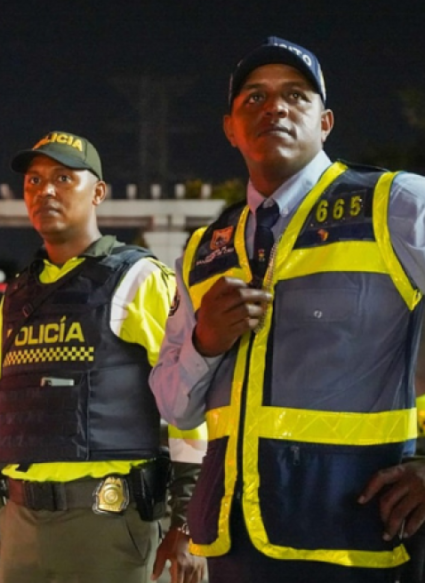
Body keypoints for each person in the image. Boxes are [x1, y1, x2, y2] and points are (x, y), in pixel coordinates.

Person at [149, 37, 425, 583]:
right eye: (253, 98)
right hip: (235, 542)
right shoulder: (205, 250)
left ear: (324, 122)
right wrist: (205, 342)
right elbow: (174, 408)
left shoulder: (395, 204)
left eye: (294, 96)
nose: (273, 106)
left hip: (355, 538)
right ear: (230, 128)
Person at [0, 131, 207, 583]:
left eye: (62, 178)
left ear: (98, 193)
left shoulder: (138, 279)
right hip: (21, 527)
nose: (45, 190)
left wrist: (187, 525)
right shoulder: (17, 294)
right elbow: (1, 406)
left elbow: (186, 405)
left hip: (108, 530)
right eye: (33, 181)